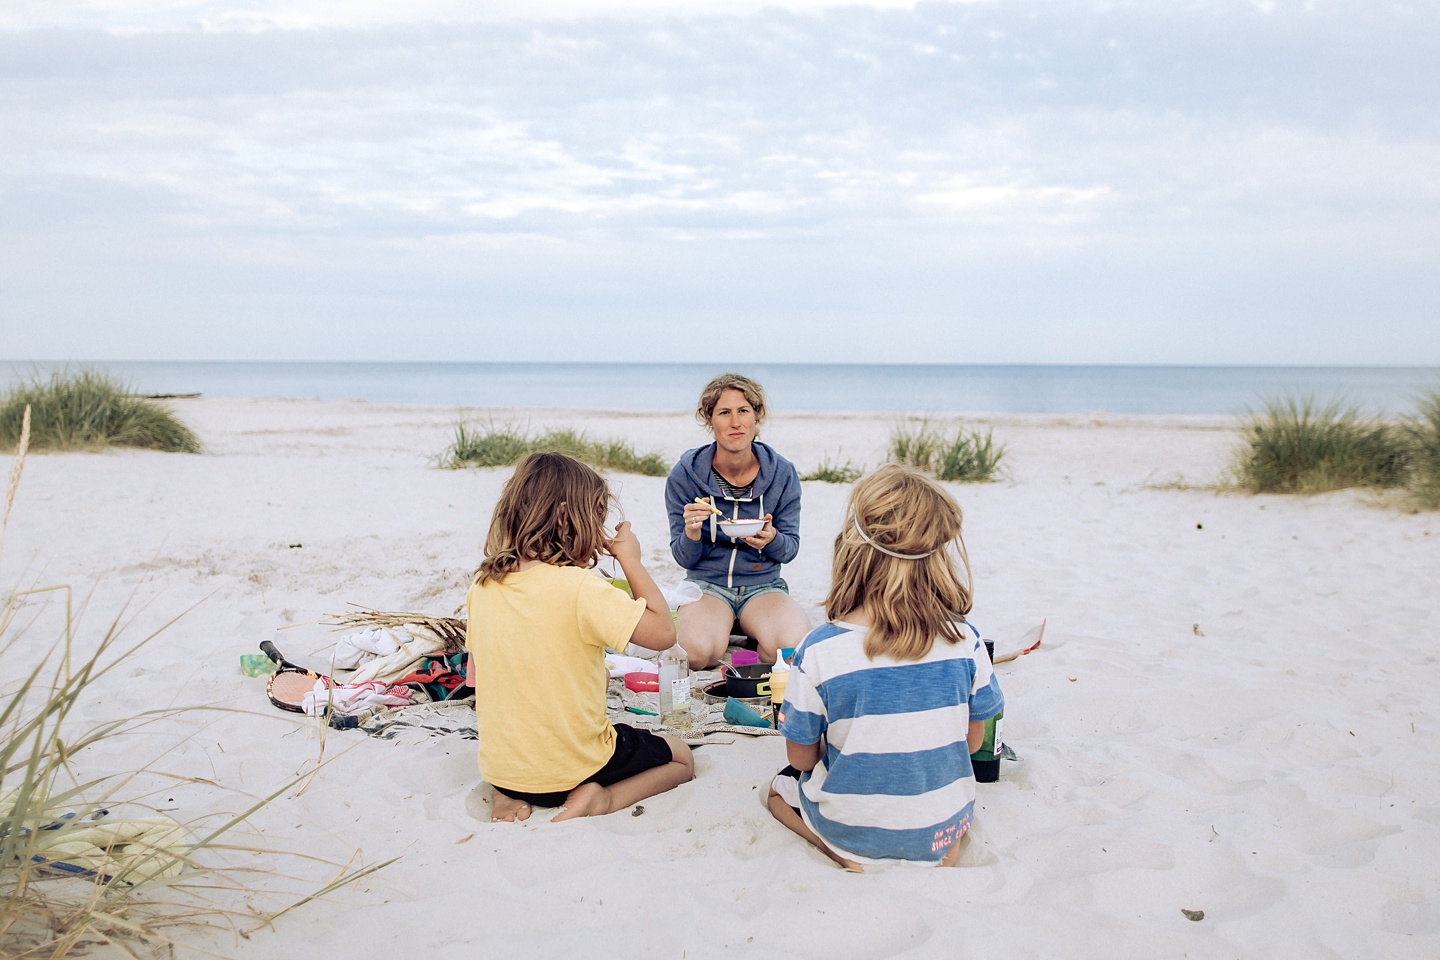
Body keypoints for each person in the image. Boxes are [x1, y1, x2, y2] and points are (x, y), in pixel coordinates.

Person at [768, 464, 1003, 870]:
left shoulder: (820, 651)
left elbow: (803, 759)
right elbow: (969, 743)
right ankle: (943, 847)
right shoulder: (966, 641)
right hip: (941, 831)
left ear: (851, 550)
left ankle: (835, 849)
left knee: (778, 789)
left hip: (853, 831)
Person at [467, 452, 695, 823]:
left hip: (504, 769)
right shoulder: (579, 588)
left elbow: (481, 677)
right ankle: (602, 800)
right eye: (595, 518)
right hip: (573, 769)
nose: (598, 531)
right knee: (681, 756)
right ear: (564, 516)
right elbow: (664, 633)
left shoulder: (482, 586)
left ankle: (504, 794)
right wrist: (630, 561)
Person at [665, 373, 811, 668]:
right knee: (695, 654)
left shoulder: (782, 474)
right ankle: (723, 625)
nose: (735, 422)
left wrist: (772, 539)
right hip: (708, 585)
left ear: (757, 416)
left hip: (763, 585)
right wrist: (691, 533)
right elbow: (683, 557)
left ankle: (751, 625)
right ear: (709, 419)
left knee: (791, 650)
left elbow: (790, 549)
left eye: (743, 411)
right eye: (724, 413)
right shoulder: (684, 475)